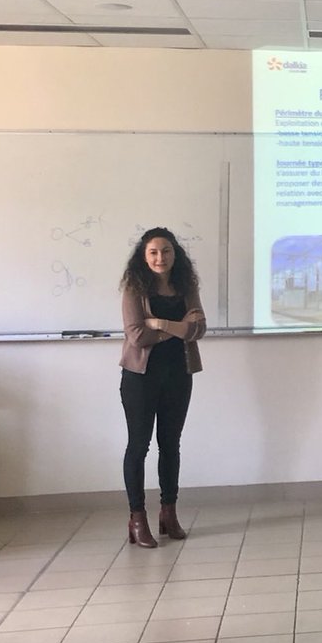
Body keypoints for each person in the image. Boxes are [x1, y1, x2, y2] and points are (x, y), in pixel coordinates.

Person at [118, 227, 205, 549]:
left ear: (175, 254)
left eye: (166, 251)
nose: (160, 258)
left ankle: (169, 513)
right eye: (153, 252)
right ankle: (137, 518)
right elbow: (137, 336)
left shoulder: (186, 285)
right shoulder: (134, 287)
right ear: (144, 256)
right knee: (138, 447)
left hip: (179, 374)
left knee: (171, 445)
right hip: (140, 377)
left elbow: (199, 329)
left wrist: (162, 324)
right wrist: (180, 327)